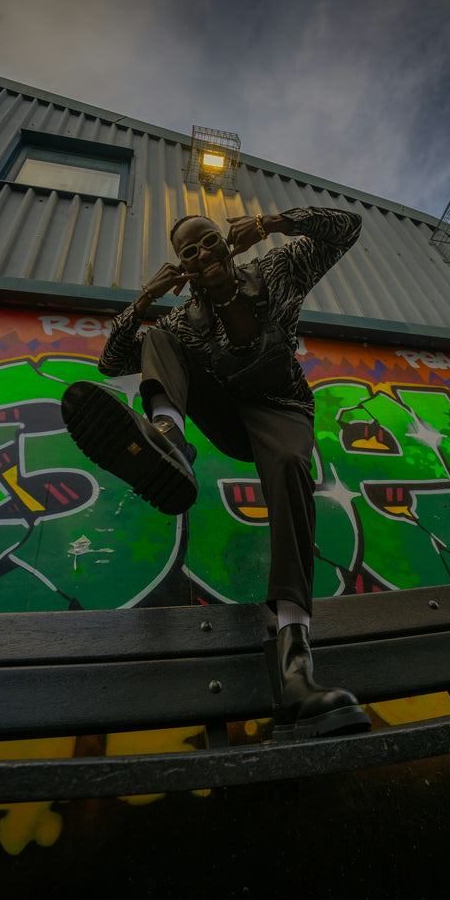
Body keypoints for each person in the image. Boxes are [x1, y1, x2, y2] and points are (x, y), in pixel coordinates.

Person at [62, 206, 371, 740]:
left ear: (227, 244)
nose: (202, 254)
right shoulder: (183, 318)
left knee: (292, 466)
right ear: (181, 267)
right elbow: (111, 363)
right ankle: (170, 440)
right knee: (158, 338)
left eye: (208, 242)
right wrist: (143, 302)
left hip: (282, 408)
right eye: (188, 252)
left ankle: (296, 667)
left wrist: (274, 222)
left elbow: (348, 228)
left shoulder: (278, 268)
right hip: (226, 416)